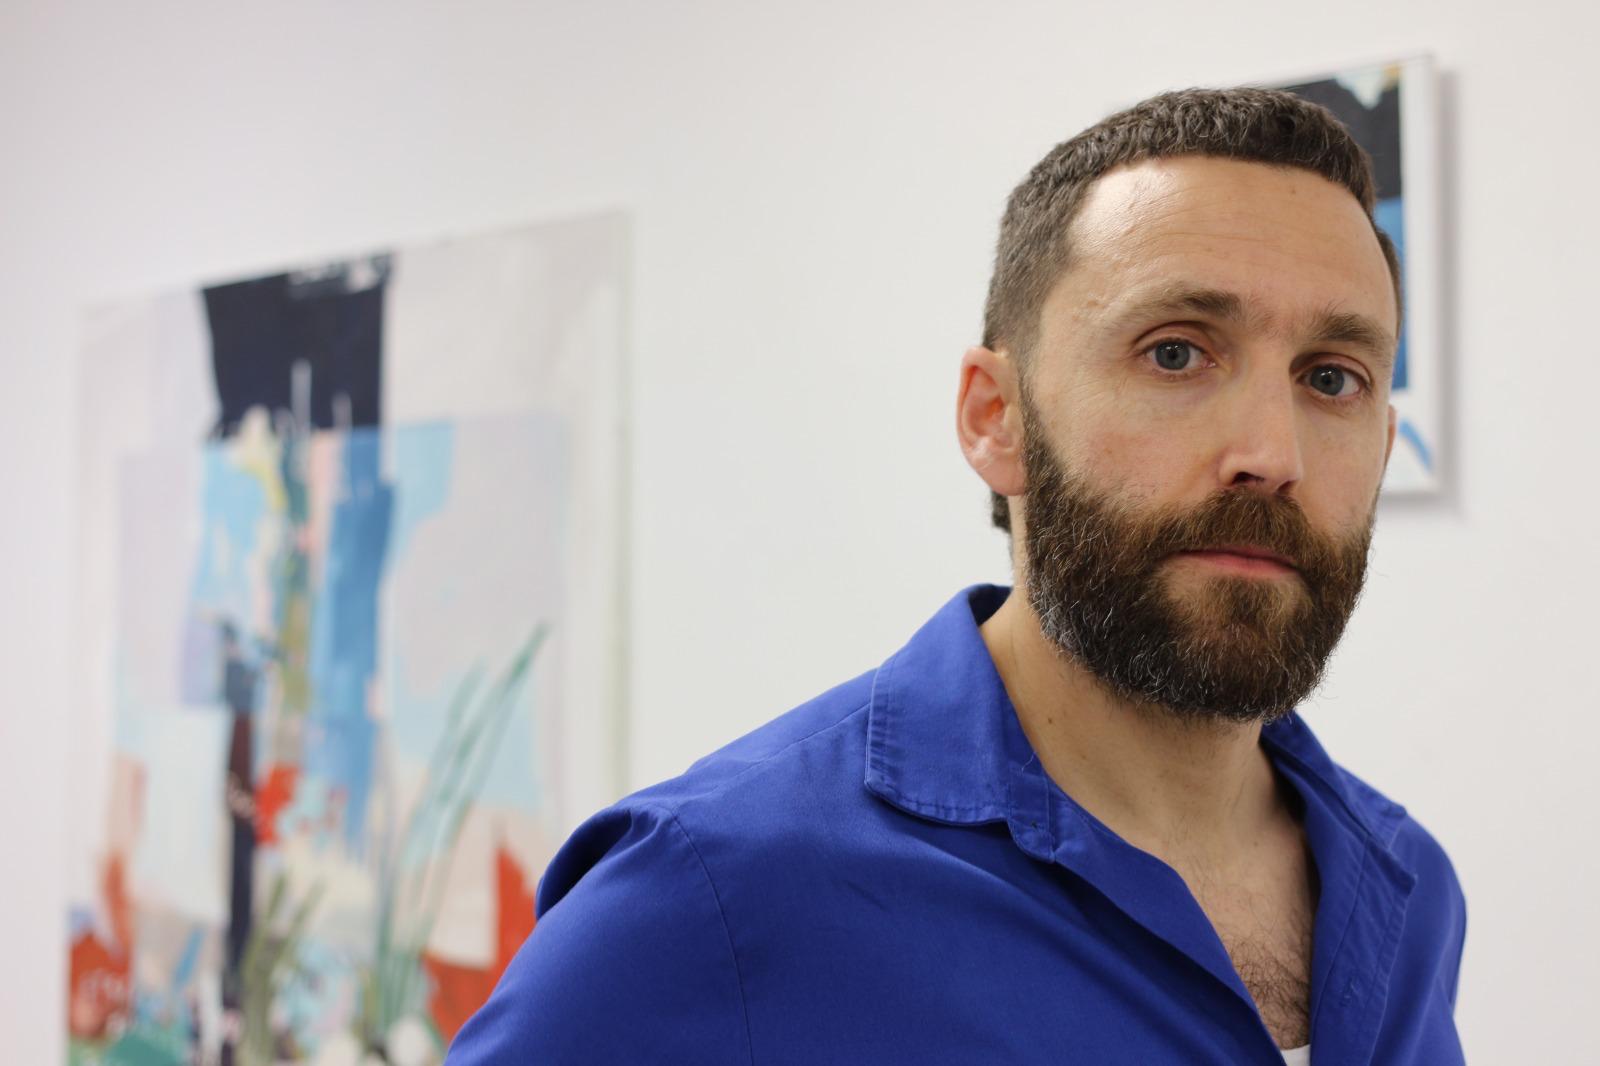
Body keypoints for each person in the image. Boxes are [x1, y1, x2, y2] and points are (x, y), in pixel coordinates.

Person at [447, 87, 1466, 1065]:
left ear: (1382, 443)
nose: (1272, 453)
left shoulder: (1404, 887)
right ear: (995, 417)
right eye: (1175, 354)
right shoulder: (712, 896)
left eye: (1331, 377)